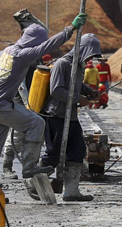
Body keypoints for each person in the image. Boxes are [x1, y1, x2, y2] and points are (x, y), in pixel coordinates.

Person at [0, 8, 81, 199]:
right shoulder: (23, 54)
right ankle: (29, 166)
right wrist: (71, 28)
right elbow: (50, 45)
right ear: (34, 42)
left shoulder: (7, 51)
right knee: (37, 123)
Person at [40, 34, 102, 202]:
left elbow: (75, 84)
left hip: (70, 116)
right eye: (90, 54)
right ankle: (36, 186)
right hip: (56, 116)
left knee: (78, 150)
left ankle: (71, 191)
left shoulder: (78, 66)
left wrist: (88, 91)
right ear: (82, 50)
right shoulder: (62, 64)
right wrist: (77, 99)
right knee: (53, 155)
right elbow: (56, 90)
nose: (91, 59)